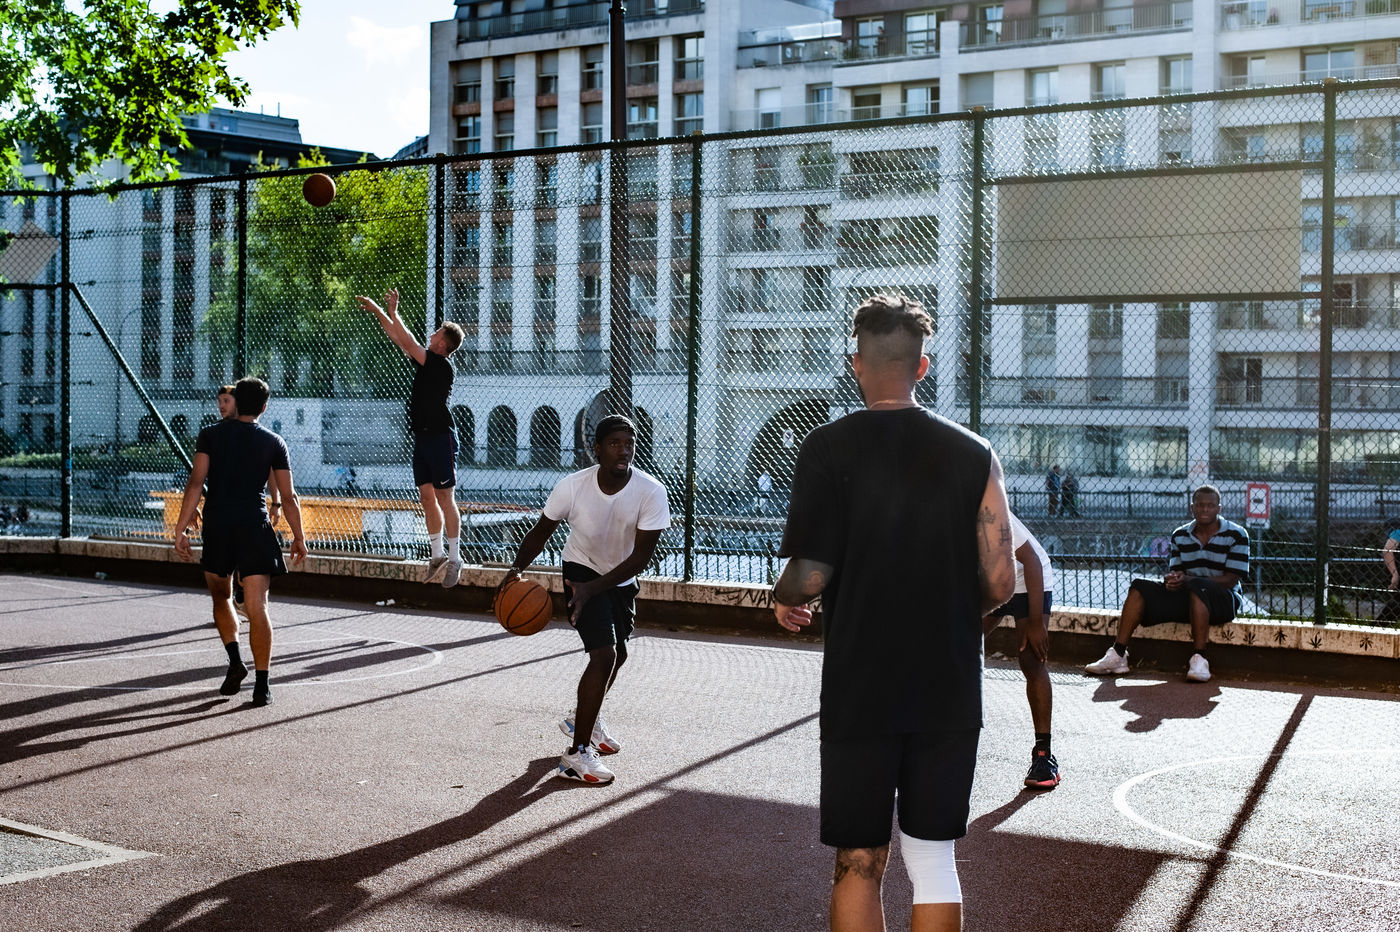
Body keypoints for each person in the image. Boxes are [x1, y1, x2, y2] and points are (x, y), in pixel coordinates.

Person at [772, 293, 1015, 932]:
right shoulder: (975, 452)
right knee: (934, 858)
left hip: (862, 684)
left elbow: (810, 574)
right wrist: (951, 609)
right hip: (948, 683)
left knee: (858, 860)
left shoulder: (827, 447)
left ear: (856, 363)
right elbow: (1001, 580)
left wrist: (785, 598)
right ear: (922, 366)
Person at [500, 415, 671, 786]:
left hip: (621, 576)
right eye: (614, 443)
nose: (623, 450)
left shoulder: (651, 491)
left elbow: (641, 558)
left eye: (629, 443)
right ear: (597, 449)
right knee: (604, 655)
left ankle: (583, 720)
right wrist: (514, 570)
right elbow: (541, 532)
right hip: (580, 572)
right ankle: (577, 754)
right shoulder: (572, 487)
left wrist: (598, 588)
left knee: (619, 655)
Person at [173, 378, 307, 707]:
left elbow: (195, 483)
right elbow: (288, 496)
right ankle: (262, 686)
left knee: (222, 597)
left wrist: (180, 529)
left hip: (218, 525)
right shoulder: (273, 441)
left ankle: (235, 660)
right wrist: (299, 536)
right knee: (258, 607)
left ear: (235, 402)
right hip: (254, 527)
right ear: (264, 407)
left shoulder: (210, 435)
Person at [356, 289, 466, 588]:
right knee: (426, 497)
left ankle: (455, 559)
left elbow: (406, 340)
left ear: (443, 343)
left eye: (436, 332)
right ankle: (437, 555)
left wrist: (392, 311)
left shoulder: (441, 364)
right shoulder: (425, 361)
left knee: (445, 497)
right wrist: (381, 312)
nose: (431, 334)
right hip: (423, 437)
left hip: (441, 437)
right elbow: (398, 337)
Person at [1085, 484, 1249, 683]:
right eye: (1200, 505)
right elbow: (1178, 573)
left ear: (1219, 508)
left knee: (1198, 587)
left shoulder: (1237, 534)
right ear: (1192, 508)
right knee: (1139, 586)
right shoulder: (1180, 535)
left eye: (1210, 505)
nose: (1205, 509)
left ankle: (1199, 658)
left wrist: (1190, 580)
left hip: (1224, 601)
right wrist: (1173, 581)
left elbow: (1231, 580)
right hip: (1190, 598)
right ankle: (1118, 655)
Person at [982, 512, 1059, 789]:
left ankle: (1044, 756)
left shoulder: (988, 509)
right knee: (956, 648)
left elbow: (1032, 561)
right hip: (993, 582)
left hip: (1029, 578)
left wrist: (1037, 623)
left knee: (1031, 659)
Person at [1378, 526, 1400, 624]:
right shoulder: (1398, 532)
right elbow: (1387, 550)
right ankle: (1377, 627)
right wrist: (1394, 574)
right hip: (1397, 572)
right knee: (1396, 606)